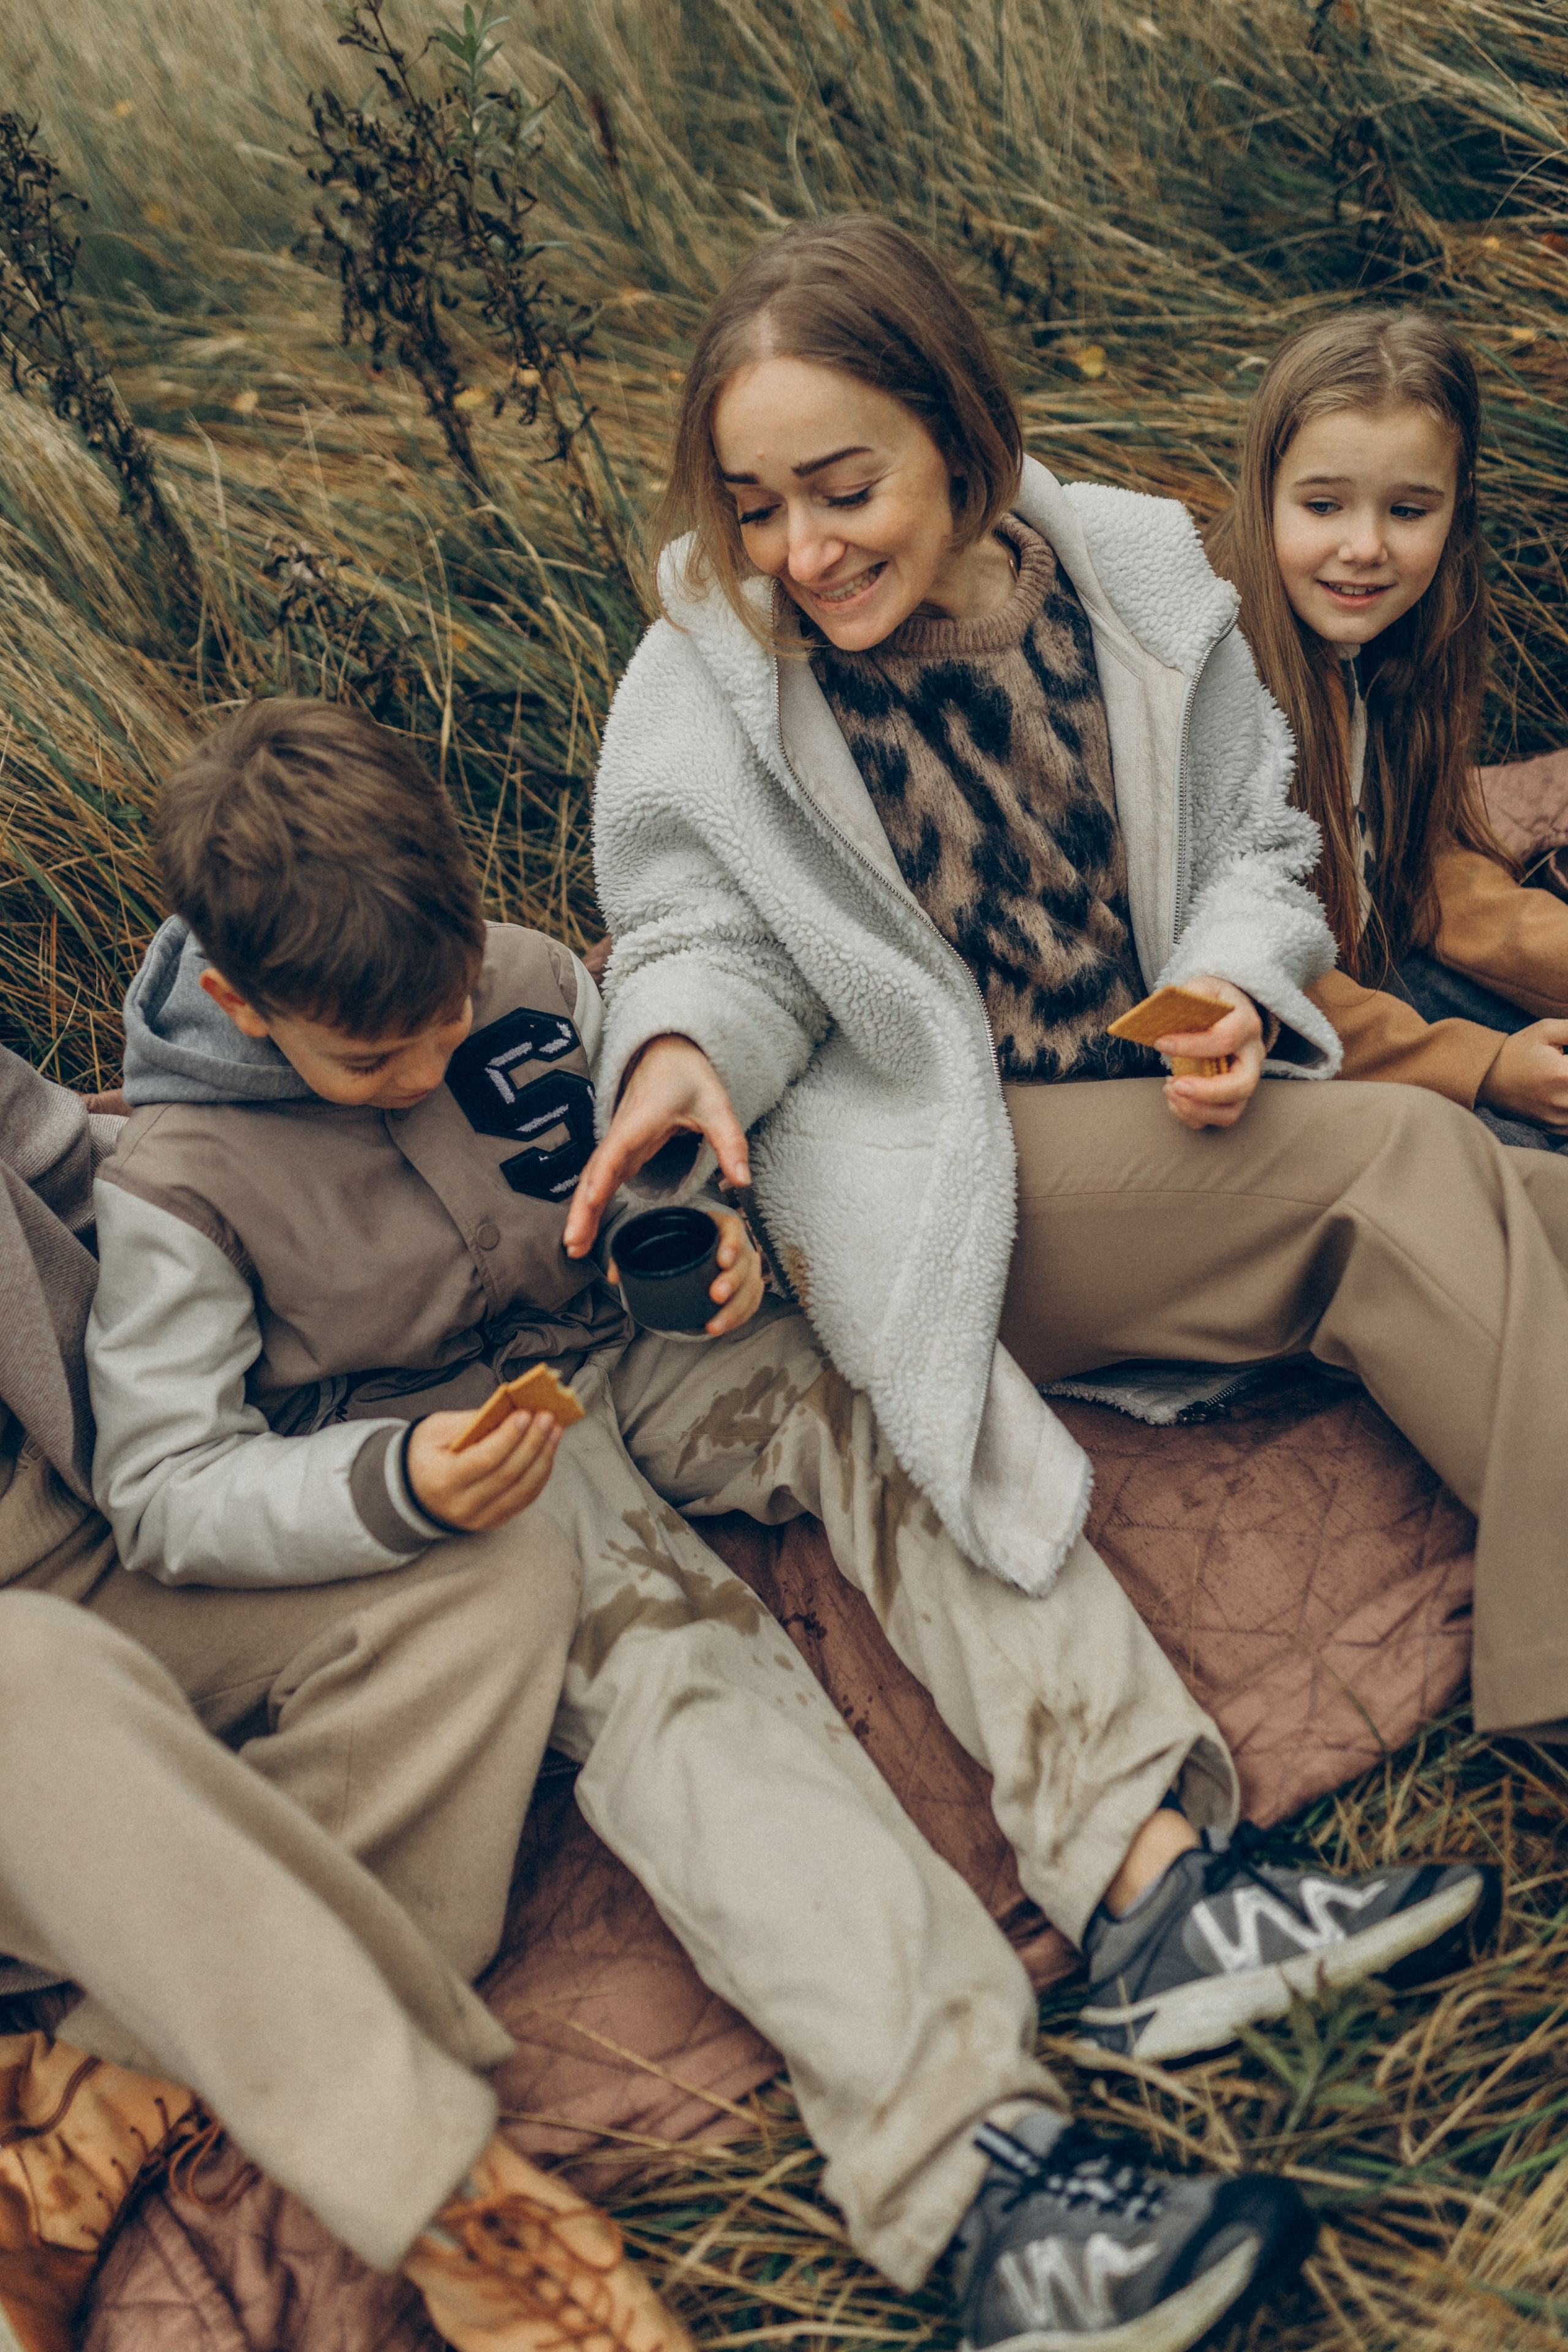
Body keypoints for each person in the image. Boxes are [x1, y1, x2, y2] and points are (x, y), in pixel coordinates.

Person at [77, 696, 1482, 2352]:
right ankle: (977, 2182)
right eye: (380, 1057)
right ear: (240, 1002)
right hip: (445, 1465)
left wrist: (707, 1226)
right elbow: (163, 1488)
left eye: (456, 1008)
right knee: (683, 1669)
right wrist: (390, 1488)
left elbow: (652, 1151)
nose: (437, 1049)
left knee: (887, 1395)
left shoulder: (526, 982)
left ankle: (1157, 1878)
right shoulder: (173, 1178)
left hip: (635, 1350)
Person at [576, 217, 1568, 1747]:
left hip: (1164, 1119)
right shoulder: (711, 672)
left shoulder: (1132, 574)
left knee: (1534, 1205)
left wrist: (1233, 988)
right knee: (1405, 1162)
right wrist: (680, 1048)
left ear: (961, 441)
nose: (801, 551)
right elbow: (698, 941)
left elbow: (1256, 836)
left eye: (845, 492)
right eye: (756, 505)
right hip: (957, 1170)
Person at [0, 1047, 688, 2352]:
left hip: (74, 1526)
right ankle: (466, 2220)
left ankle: (99, 2095)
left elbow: (83, 1170)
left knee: (490, 1559)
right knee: (28, 1683)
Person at [1207, 307, 1568, 1152]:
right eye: (1324, 505)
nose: (1364, 547)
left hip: (1382, 979)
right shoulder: (1217, 673)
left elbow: (1428, 869)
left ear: (1455, 508)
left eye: (1409, 511)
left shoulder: (1409, 636)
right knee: (1527, 1175)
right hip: (1284, 1040)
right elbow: (1259, 967)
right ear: (1265, 492)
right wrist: (1486, 1067)